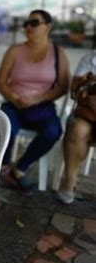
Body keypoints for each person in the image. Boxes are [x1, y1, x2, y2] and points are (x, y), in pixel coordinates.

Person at [0, 9, 70, 194]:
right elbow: (1, 82)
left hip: (41, 107)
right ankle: (4, 166)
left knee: (53, 131)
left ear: (48, 27)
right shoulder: (15, 51)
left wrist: (37, 98)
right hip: (14, 104)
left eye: (34, 23)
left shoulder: (58, 54)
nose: (28, 27)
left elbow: (62, 86)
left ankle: (19, 169)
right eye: (26, 24)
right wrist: (14, 98)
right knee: (4, 126)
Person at [57, 53, 96, 204]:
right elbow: (74, 91)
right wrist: (88, 97)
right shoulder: (89, 59)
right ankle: (69, 182)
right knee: (77, 130)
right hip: (88, 114)